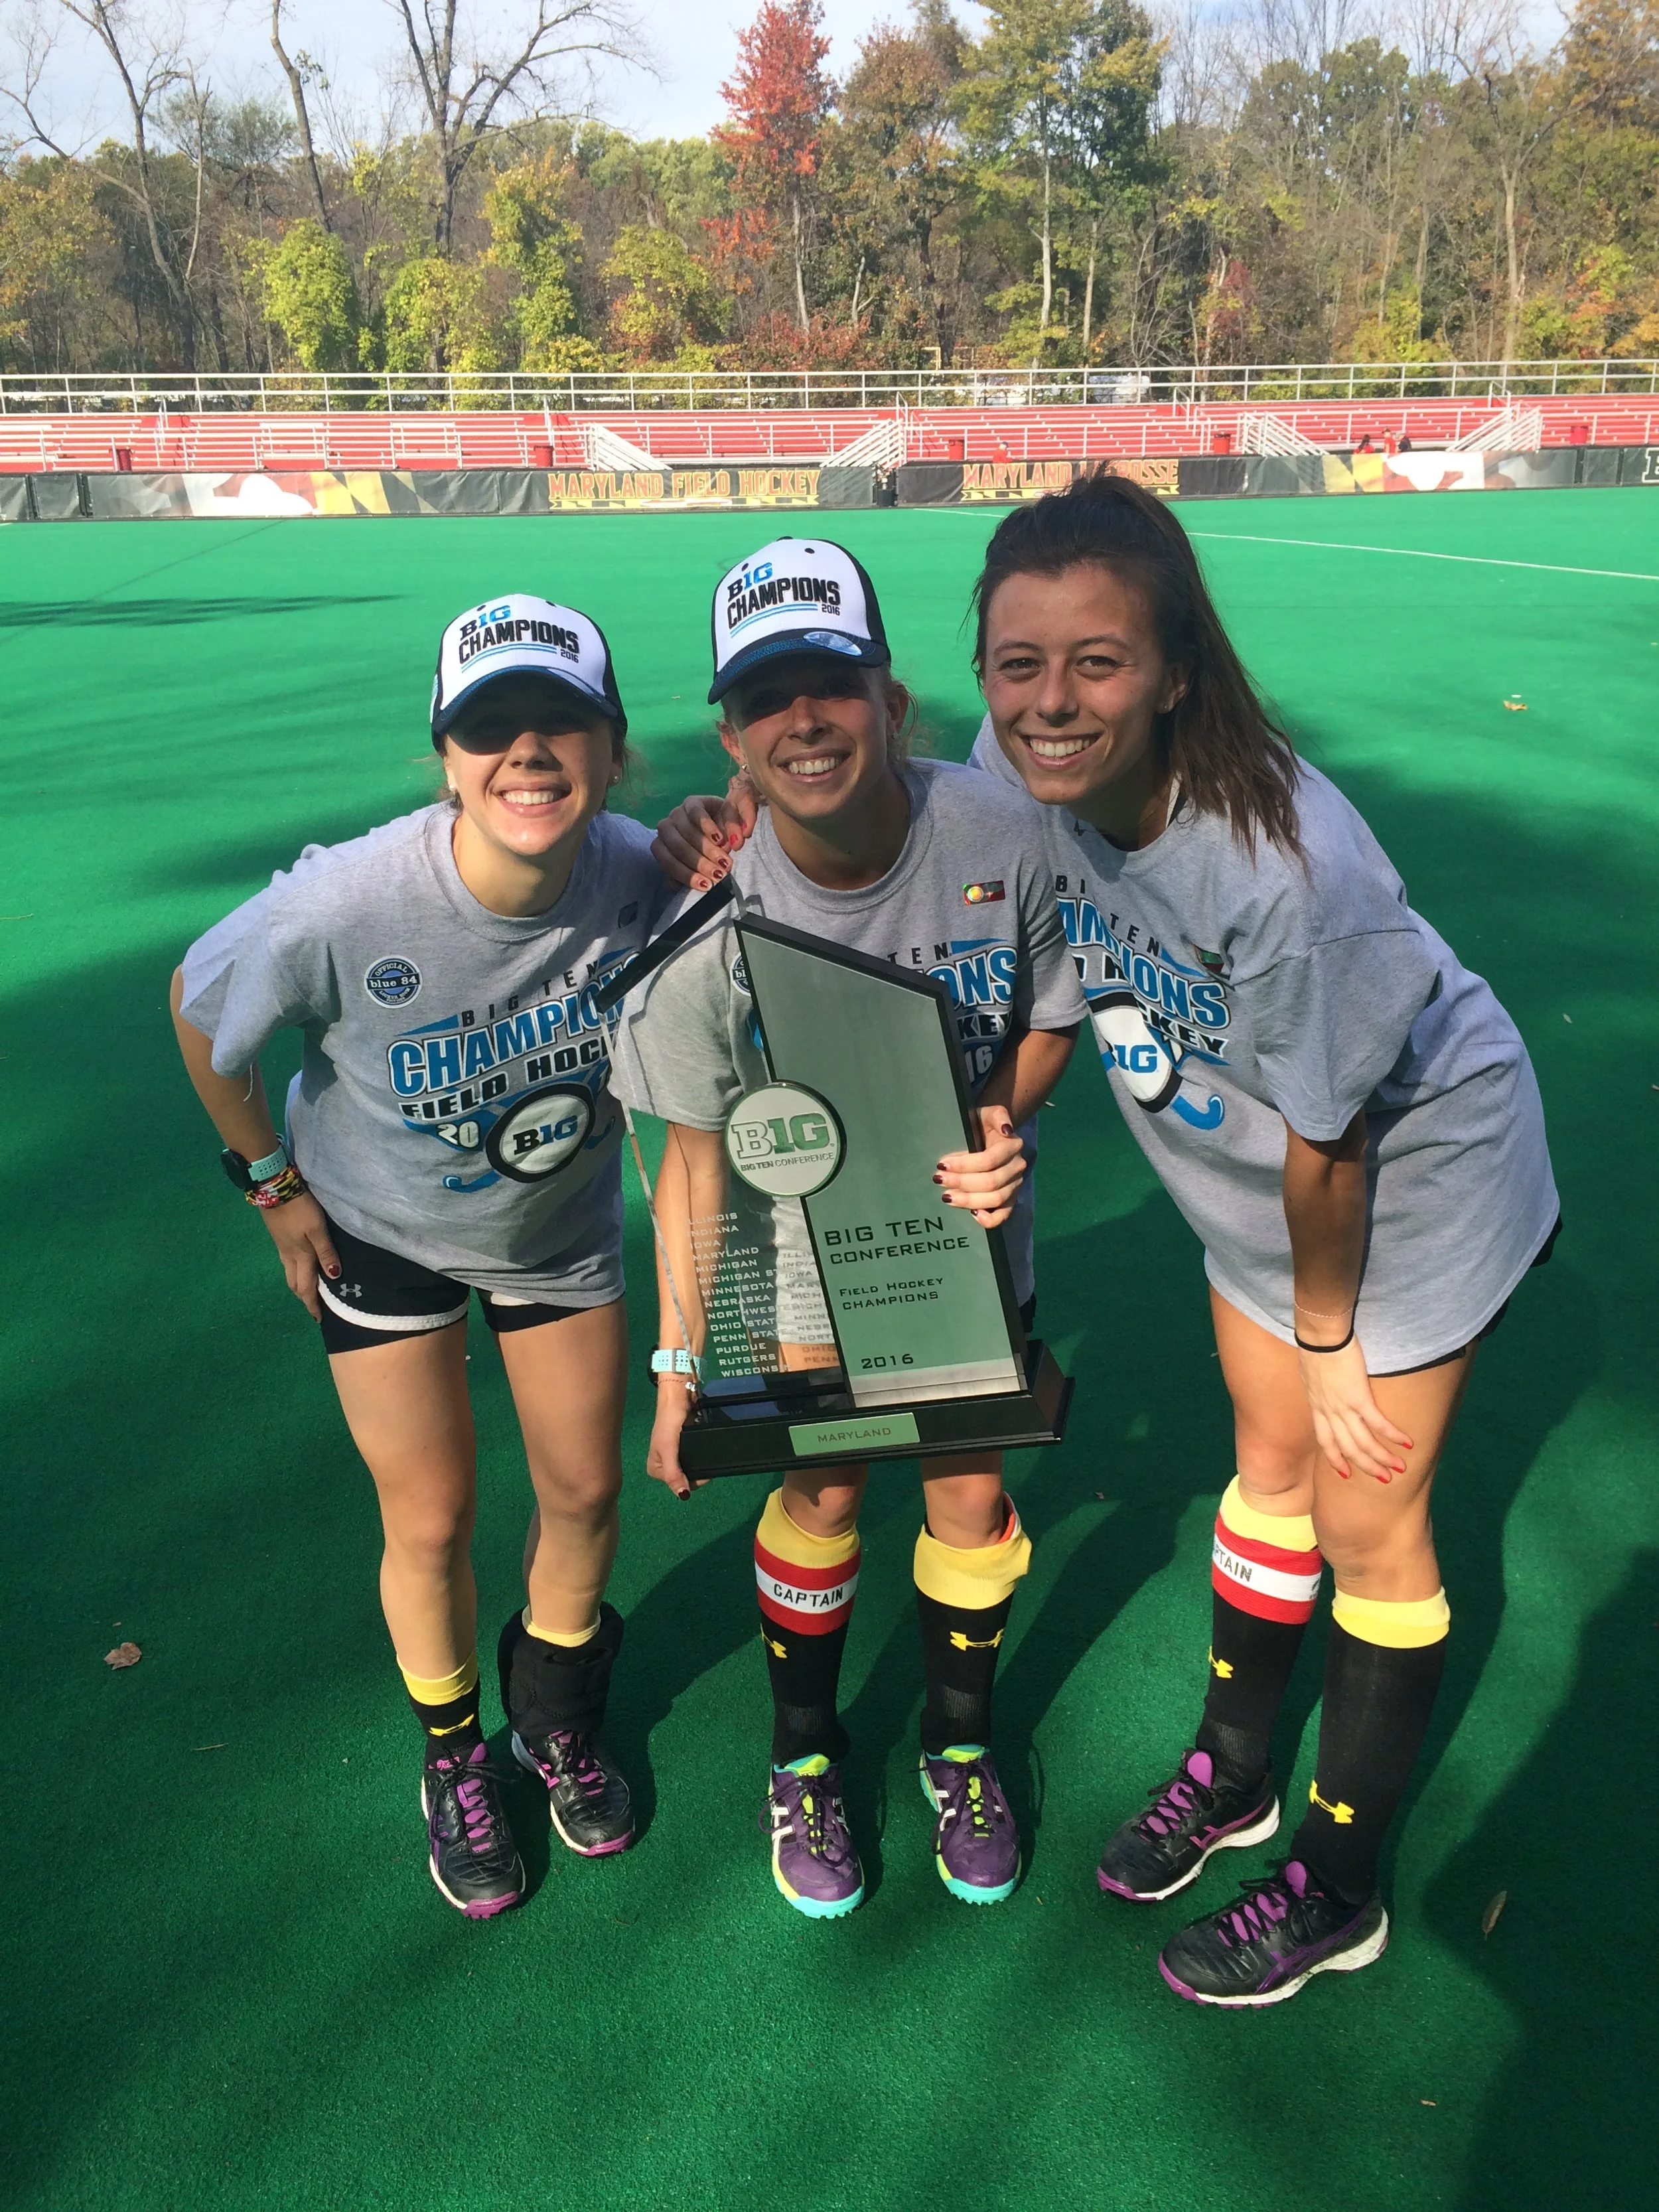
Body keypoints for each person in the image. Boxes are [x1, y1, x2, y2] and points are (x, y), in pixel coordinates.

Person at [654, 475, 1558, 2004]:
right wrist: (723, 821)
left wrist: (1332, 1341)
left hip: (1404, 1194)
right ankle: (1236, 1773)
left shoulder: (1286, 875)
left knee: (1363, 1527)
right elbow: (970, 916)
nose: (1051, 703)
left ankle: (1336, 1885)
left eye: (1096, 662)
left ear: (1174, 669)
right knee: (1263, 1481)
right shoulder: (1043, 808)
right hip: (1259, 1192)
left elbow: (1335, 1151)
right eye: (1020, 665)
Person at [171, 593, 670, 1918]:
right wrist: (270, 1185)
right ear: (444, 757)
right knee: (432, 1515)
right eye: (488, 725)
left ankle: (551, 1718)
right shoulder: (346, 902)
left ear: (611, 748)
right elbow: (199, 1002)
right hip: (377, 1227)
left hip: (552, 1234)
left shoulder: (640, 871)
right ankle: (454, 1754)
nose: (526, 751)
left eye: (559, 721)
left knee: (580, 1493)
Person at [610, 536, 1086, 1919]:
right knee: (820, 1493)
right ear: (729, 734)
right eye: (768, 696)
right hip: (788, 1268)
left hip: (964, 1247)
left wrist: (998, 1121)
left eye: (830, 681)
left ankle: (954, 1742)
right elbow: (691, 1156)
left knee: (965, 1494)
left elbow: (1050, 1018)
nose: (802, 720)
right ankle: (804, 1753)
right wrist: (679, 1362)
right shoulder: (712, 901)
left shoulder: (1004, 834)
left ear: (888, 695)